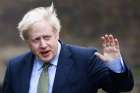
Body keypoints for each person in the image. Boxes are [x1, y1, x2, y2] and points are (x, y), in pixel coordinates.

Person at [2, 3, 134, 93]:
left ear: (56, 33)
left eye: (47, 37)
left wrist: (115, 66)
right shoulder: (16, 66)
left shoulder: (85, 59)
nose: (43, 45)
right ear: (27, 42)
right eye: (36, 40)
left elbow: (123, 87)